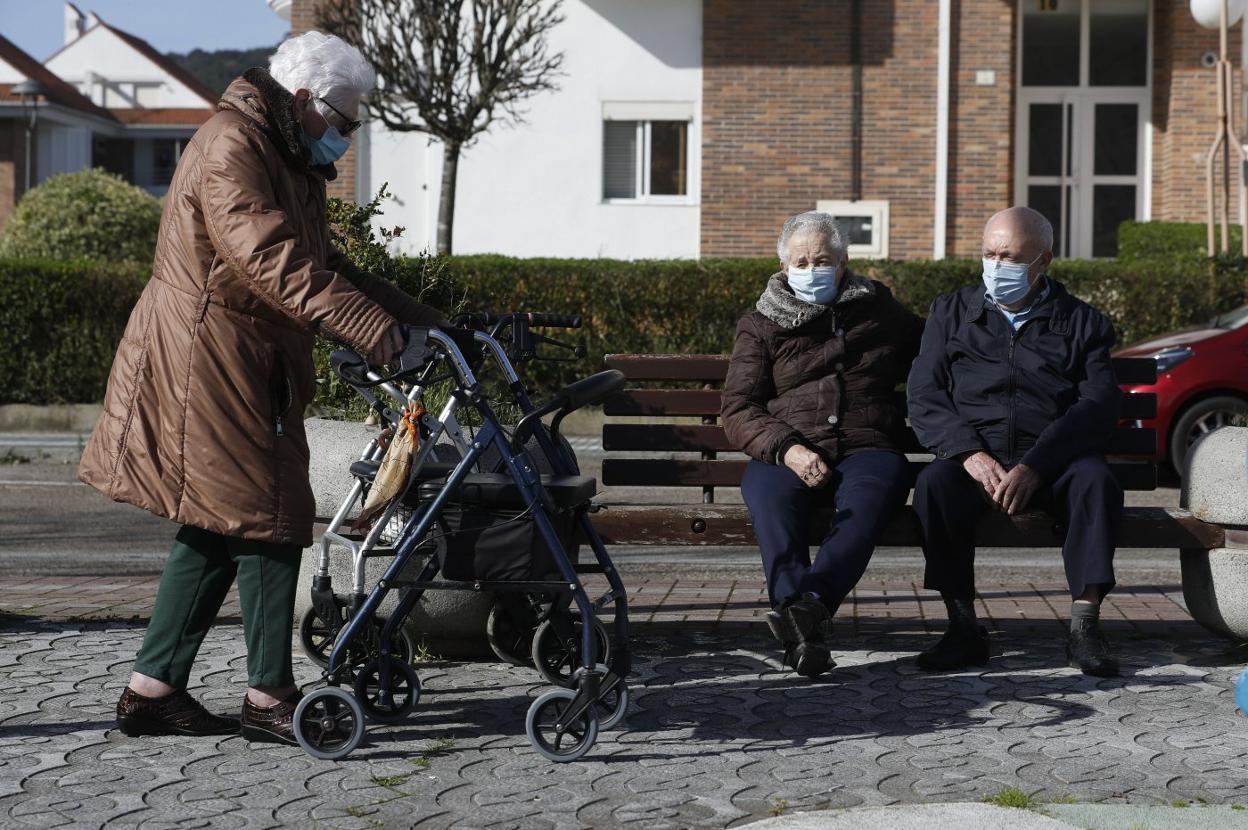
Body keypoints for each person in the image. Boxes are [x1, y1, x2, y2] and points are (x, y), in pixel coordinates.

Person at [78, 32, 445, 745]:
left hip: (237, 355)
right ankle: (270, 696)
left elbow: (327, 264)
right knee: (273, 510)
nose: (348, 135)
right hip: (207, 356)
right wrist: (375, 332)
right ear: (305, 101)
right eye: (344, 121)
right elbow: (270, 260)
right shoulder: (233, 147)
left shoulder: (282, 153)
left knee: (221, 521)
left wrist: (428, 322)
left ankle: (152, 690)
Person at [907, 206, 1123, 678]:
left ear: (1043, 260)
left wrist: (1038, 464)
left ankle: (1085, 625)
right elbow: (924, 394)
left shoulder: (1083, 323)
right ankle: (962, 627)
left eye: (1009, 256)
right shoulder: (951, 312)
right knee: (933, 485)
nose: (996, 266)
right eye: (989, 254)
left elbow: (1099, 405)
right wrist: (968, 452)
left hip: (1052, 463)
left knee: (1095, 479)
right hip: (975, 461)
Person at [721, 212, 925, 678]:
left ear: (844, 262)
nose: (811, 269)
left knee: (870, 502)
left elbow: (934, 344)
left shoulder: (879, 309)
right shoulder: (760, 323)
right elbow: (737, 407)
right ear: (782, 264)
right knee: (771, 503)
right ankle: (802, 633)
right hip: (786, 446)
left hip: (867, 443)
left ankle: (811, 607)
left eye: (822, 260)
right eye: (801, 261)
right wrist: (788, 448)